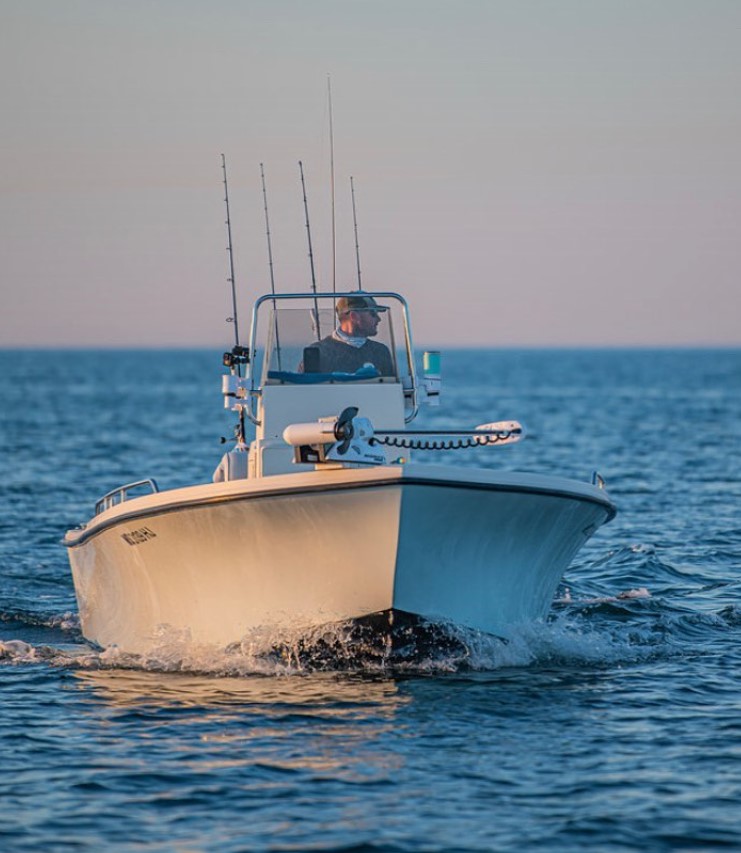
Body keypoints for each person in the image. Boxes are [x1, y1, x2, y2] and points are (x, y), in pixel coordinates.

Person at [301, 294, 395, 376]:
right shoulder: (317, 352)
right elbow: (304, 390)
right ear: (354, 316)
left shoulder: (381, 351)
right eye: (373, 314)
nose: (379, 319)